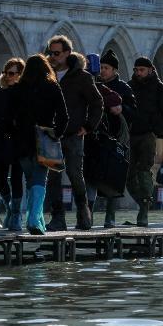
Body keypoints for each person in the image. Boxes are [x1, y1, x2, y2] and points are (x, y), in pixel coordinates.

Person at [46, 36, 103, 231]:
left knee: (74, 174)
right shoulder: (48, 75)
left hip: (73, 134)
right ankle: (57, 217)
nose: (53, 56)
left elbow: (97, 103)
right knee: (52, 177)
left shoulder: (81, 76)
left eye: (57, 53)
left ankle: (83, 213)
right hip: (52, 135)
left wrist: (88, 126)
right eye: (51, 53)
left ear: (67, 53)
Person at [8, 55, 68, 235]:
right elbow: (64, 116)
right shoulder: (52, 87)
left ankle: (35, 218)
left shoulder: (17, 89)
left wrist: (13, 132)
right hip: (44, 137)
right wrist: (56, 134)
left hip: (22, 139)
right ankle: (34, 219)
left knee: (30, 178)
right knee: (40, 178)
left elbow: (10, 116)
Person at [128, 56, 163, 227]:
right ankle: (143, 202)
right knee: (128, 173)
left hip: (148, 135)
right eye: (136, 70)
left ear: (150, 70)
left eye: (141, 70)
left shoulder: (161, 89)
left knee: (143, 170)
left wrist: (156, 128)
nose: (138, 73)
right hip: (130, 134)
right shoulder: (129, 86)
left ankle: (144, 211)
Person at [0, 58, 25, 230]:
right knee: (0, 177)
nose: (8, 76)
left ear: (20, 75)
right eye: (6, 73)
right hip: (0, 141)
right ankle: (10, 208)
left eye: (12, 73)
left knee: (17, 178)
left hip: (17, 140)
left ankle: (15, 214)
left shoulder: (23, 94)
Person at [84, 82, 129, 228]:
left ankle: (98, 217)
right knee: (94, 179)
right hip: (96, 147)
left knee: (102, 179)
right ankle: (90, 216)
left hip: (105, 148)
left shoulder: (107, 95)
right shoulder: (105, 95)